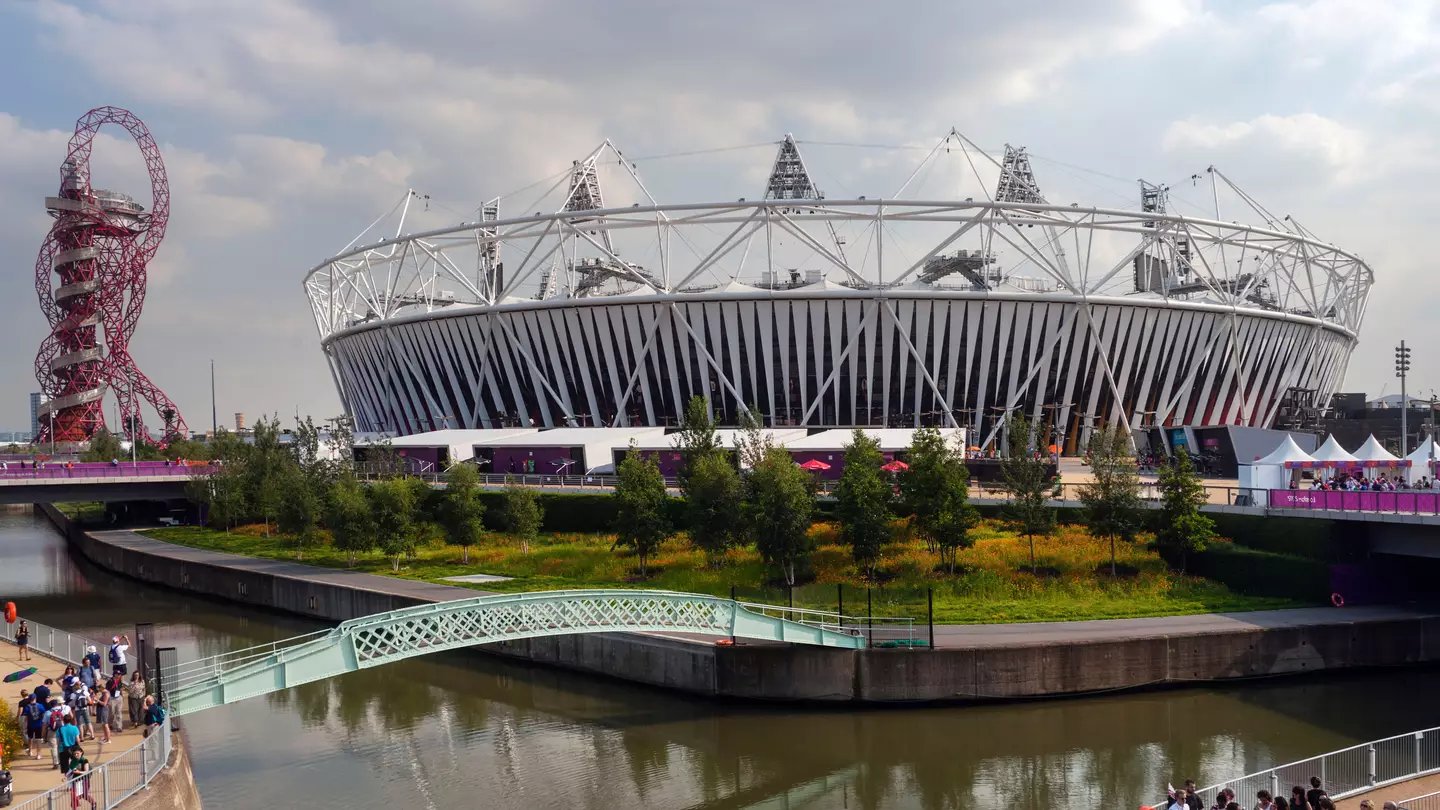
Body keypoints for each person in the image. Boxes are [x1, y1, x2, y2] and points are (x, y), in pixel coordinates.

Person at [67, 745, 97, 810]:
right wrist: (67, 776)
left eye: (77, 753)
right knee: (74, 797)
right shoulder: (73, 760)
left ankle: (93, 804)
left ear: (81, 752)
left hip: (84, 780)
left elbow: (86, 771)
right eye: (75, 754)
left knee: (85, 795)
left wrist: (79, 772)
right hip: (75, 780)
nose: (76, 755)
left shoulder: (84, 761)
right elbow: (72, 770)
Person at [20, 689, 44, 759]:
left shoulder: (27, 707)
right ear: (35, 698)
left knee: (30, 738)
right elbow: (44, 713)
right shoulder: (40, 706)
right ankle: (38, 754)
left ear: (30, 699)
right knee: (38, 739)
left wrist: (25, 725)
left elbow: (25, 717)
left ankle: (30, 751)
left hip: (30, 725)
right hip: (39, 725)